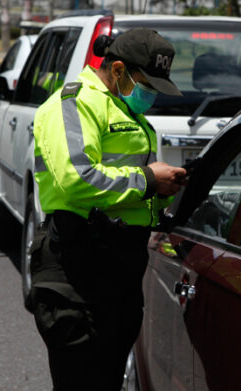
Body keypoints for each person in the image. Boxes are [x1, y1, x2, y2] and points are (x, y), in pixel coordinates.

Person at [29, 28, 187, 390]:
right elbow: (77, 178)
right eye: (146, 85)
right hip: (77, 269)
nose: (149, 96)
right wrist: (148, 179)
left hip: (118, 270)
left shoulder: (124, 110)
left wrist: (163, 189)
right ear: (118, 70)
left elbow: (128, 188)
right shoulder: (74, 103)